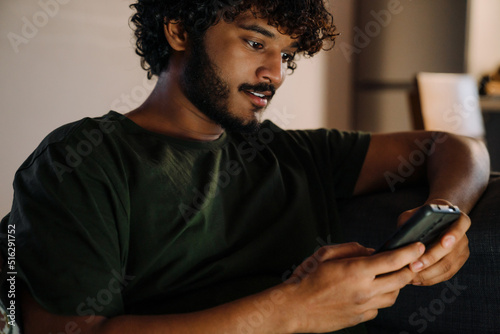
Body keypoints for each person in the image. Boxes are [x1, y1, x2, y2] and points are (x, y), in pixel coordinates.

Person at [0, 1, 490, 333]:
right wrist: (291, 309)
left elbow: (452, 146)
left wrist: (447, 210)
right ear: (179, 30)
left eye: (286, 54)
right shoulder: (83, 160)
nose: (274, 73)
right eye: (256, 43)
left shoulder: (291, 154)